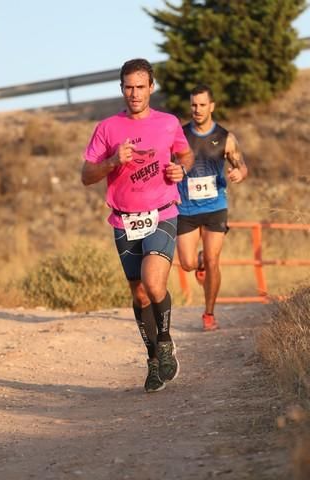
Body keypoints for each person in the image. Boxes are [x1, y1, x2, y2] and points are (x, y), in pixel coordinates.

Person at [81, 58, 194, 393]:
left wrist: (180, 170)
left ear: (151, 88)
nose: (134, 93)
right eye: (128, 87)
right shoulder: (107, 128)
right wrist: (114, 161)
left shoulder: (169, 123)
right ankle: (152, 359)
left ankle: (165, 341)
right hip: (124, 219)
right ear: (121, 89)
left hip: (162, 212)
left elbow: (184, 155)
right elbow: (87, 175)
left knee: (153, 281)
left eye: (140, 86)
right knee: (140, 294)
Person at [176, 85, 248, 331]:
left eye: (202, 105)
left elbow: (242, 165)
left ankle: (208, 314)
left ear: (212, 106)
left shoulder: (226, 137)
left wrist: (239, 171)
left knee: (213, 259)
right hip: (185, 208)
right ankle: (199, 261)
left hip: (215, 206)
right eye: (193, 105)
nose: (197, 109)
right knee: (186, 263)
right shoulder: (180, 134)